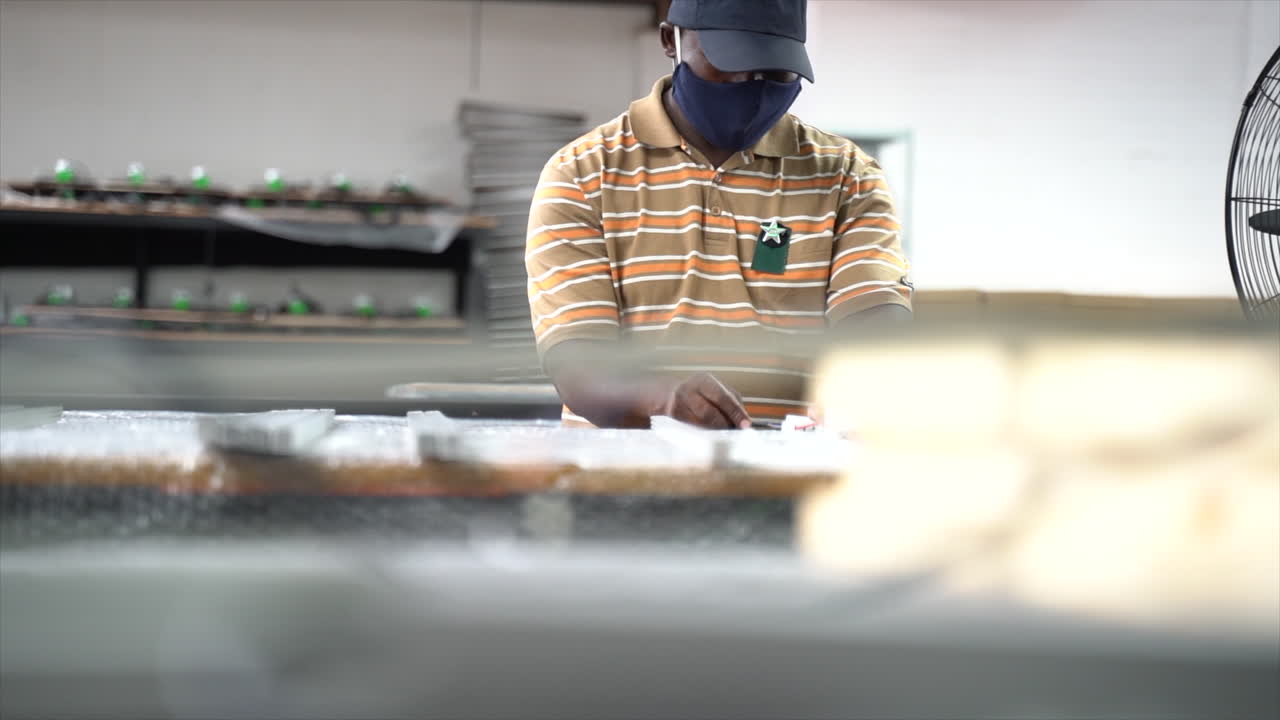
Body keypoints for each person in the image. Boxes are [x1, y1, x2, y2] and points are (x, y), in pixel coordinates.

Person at [525, 0, 911, 430]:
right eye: (732, 66)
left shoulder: (846, 175)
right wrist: (659, 397)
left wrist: (859, 382)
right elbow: (578, 362)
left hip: (790, 462)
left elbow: (873, 314)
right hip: (624, 467)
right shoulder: (583, 174)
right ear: (670, 40)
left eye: (776, 72)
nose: (753, 86)